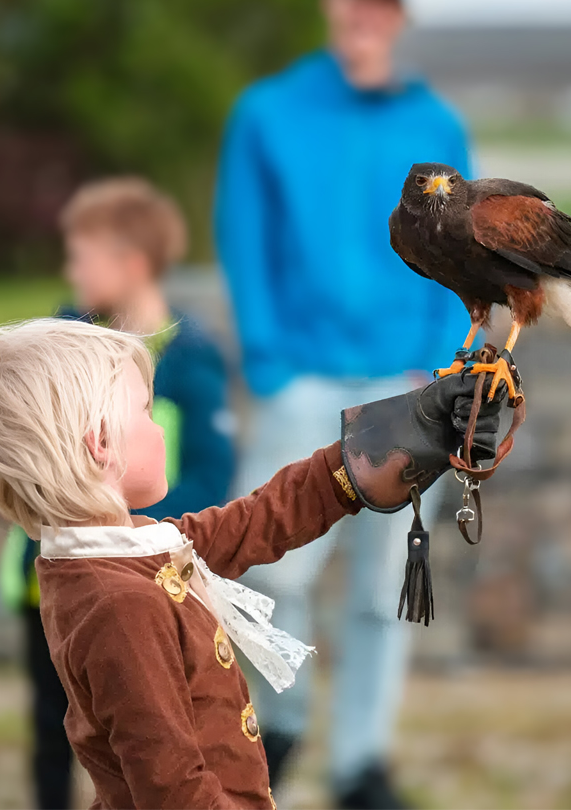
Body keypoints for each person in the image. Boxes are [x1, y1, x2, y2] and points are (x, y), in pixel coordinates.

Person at [0, 317, 506, 809]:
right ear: (101, 443)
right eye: (145, 412)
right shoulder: (119, 604)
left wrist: (393, 442)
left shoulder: (129, 550)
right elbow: (174, 792)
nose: (157, 428)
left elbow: (258, 521)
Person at [215, 0, 472, 804]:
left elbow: (459, 246)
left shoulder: (437, 124)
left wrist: (438, 366)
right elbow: (243, 236)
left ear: (400, 15)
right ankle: (278, 732)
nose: (364, 13)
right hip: (302, 378)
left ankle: (361, 764)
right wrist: (269, 363)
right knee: (270, 572)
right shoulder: (267, 113)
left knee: (382, 589)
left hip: (404, 380)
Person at [0, 178, 236, 809]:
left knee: (148, 739)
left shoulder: (191, 361)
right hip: (44, 579)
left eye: (82, 257)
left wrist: (123, 528)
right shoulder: (60, 341)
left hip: (145, 584)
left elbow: (211, 477)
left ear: (131, 264)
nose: (70, 271)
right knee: (53, 728)